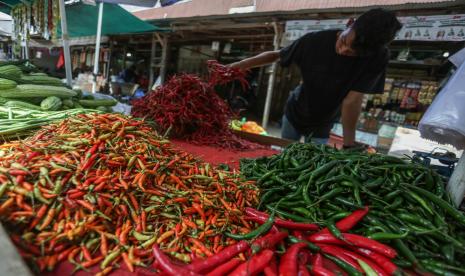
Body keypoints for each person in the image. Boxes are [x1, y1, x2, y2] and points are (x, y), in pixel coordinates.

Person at [230, 8, 402, 148]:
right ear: (350, 23)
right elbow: (275, 55)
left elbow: (353, 100)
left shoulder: (378, 57)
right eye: (344, 42)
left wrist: (349, 143)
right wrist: (233, 68)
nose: (342, 51)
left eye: (352, 54)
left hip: (324, 120)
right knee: (285, 153)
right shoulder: (314, 41)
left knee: (311, 161)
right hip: (295, 110)